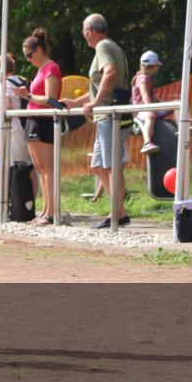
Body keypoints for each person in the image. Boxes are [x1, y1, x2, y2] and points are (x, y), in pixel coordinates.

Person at [62, 14, 132, 230]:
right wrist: (76, 102)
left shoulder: (103, 47)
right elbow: (99, 86)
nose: (83, 34)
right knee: (99, 166)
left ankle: (117, 213)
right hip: (105, 115)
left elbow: (109, 74)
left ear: (89, 31)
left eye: (84, 30)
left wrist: (97, 102)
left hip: (108, 115)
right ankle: (118, 210)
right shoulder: (112, 46)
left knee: (111, 166)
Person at [13, 27, 61, 226]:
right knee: (40, 169)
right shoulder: (41, 70)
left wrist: (28, 96)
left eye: (29, 55)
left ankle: (51, 213)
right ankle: (45, 210)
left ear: (39, 50)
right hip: (34, 118)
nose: (27, 59)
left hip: (44, 120)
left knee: (48, 168)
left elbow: (51, 99)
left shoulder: (51, 68)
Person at [132, 51, 169, 155]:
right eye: (157, 65)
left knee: (175, 105)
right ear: (152, 66)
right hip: (140, 111)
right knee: (150, 117)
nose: (158, 68)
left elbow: (152, 97)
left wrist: (164, 104)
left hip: (148, 106)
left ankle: (182, 128)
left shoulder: (148, 77)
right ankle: (147, 142)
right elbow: (144, 95)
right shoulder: (142, 78)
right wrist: (150, 110)